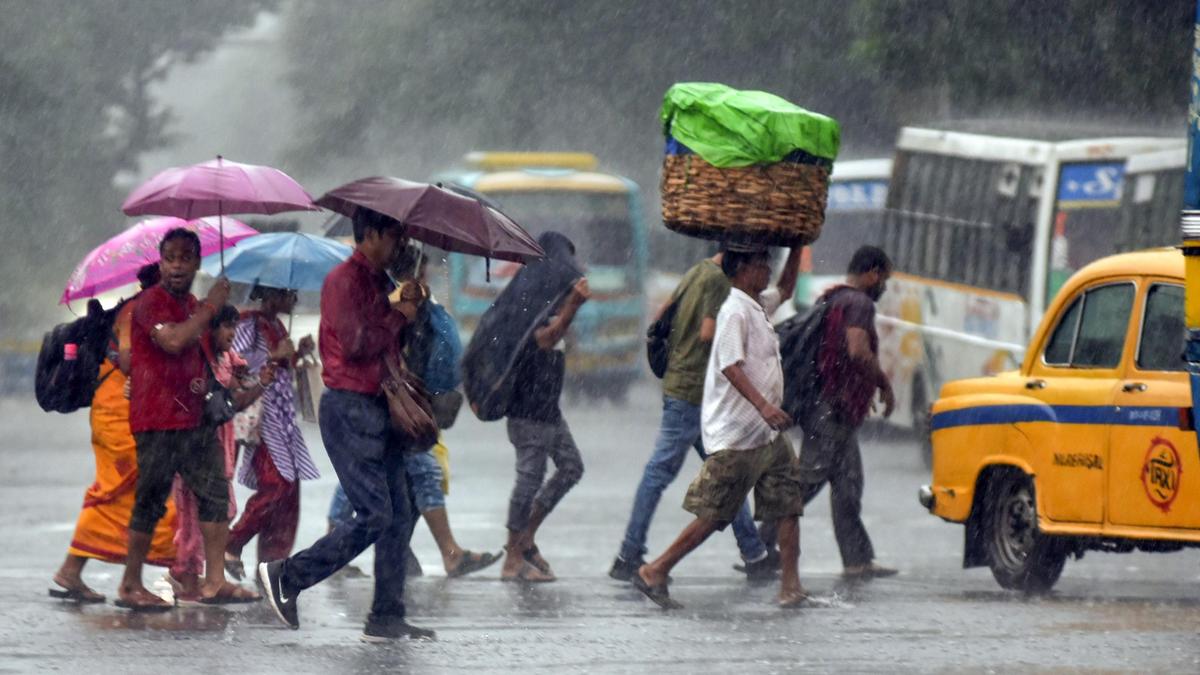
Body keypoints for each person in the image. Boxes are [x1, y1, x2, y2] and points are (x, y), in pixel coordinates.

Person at [258, 208, 434, 642]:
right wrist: (398, 316)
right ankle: (288, 575)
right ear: (370, 235)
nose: (399, 247)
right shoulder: (343, 281)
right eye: (393, 237)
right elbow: (357, 343)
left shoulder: (380, 284)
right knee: (375, 514)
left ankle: (387, 615)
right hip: (350, 409)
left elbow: (392, 342)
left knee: (400, 513)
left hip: (381, 406)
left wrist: (411, 308)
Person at [633, 246, 807, 610]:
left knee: (789, 503)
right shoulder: (733, 310)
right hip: (739, 434)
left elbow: (787, 288)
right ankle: (656, 569)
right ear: (743, 269)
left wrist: (797, 245)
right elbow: (730, 365)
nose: (768, 271)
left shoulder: (758, 305)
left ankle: (790, 587)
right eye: (763, 264)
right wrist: (765, 407)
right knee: (714, 514)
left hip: (768, 436)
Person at [117, 228, 258, 610]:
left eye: (185, 258)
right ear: (161, 263)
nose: (177, 266)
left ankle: (214, 581)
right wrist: (210, 308)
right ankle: (130, 584)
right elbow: (174, 340)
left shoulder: (193, 303)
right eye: (170, 258)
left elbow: (205, 346)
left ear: (197, 263)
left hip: (194, 419)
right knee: (150, 500)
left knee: (214, 494)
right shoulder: (150, 303)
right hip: (157, 420)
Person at [50, 264, 178, 603]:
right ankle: (138, 580)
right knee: (124, 492)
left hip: (129, 411)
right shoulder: (137, 310)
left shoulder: (150, 309)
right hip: (118, 414)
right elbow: (128, 359)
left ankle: (74, 570)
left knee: (123, 493)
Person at [795, 245, 897, 580]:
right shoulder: (859, 303)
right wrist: (882, 382)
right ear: (872, 274)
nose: (883, 285)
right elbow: (856, 349)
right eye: (883, 278)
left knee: (848, 485)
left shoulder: (833, 298)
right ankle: (760, 547)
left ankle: (857, 560)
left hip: (831, 408)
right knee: (805, 483)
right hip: (830, 411)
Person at [494, 232, 589, 583]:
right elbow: (544, 339)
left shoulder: (547, 295)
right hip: (528, 409)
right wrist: (572, 307)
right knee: (528, 481)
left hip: (547, 409)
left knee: (571, 468)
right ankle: (513, 556)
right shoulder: (532, 298)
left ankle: (526, 537)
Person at [170, 305, 274, 602]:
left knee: (221, 510)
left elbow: (232, 405)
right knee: (193, 515)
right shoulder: (199, 359)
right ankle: (189, 577)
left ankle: (211, 579)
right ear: (209, 330)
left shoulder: (227, 360)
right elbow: (209, 400)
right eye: (225, 327)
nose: (231, 333)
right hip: (195, 446)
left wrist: (261, 381)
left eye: (233, 326)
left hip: (220, 447)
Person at [223, 285, 320, 579]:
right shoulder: (249, 325)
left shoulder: (276, 324)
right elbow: (235, 364)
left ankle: (273, 566)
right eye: (290, 293)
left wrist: (296, 352)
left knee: (289, 492)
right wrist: (275, 354)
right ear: (272, 294)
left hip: (283, 416)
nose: (295, 299)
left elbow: (281, 366)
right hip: (262, 418)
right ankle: (233, 540)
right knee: (276, 484)